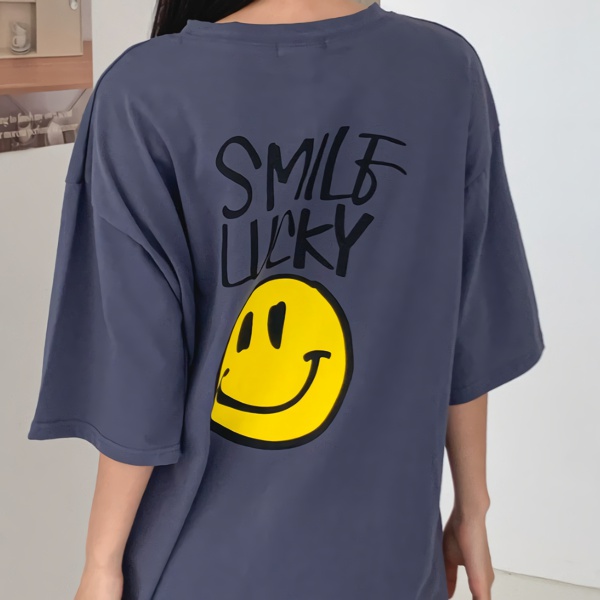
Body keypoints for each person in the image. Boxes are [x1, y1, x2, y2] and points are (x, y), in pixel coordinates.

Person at [26, 1, 545, 599]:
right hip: (394, 560)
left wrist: (101, 562)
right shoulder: (445, 70)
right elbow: (469, 320)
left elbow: (138, 376)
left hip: (205, 567)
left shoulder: (145, 92)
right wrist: (473, 508)